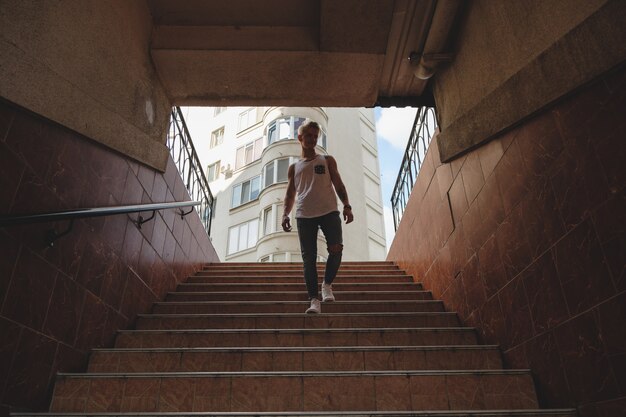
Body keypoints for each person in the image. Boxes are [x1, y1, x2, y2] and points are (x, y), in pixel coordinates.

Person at [281, 119, 354, 314]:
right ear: (300, 138)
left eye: (315, 136)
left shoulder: (327, 160)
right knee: (309, 259)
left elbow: (339, 184)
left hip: (329, 211)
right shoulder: (294, 168)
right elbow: (290, 194)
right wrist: (285, 214)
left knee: (336, 249)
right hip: (304, 216)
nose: (312, 139)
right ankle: (314, 300)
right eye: (309, 136)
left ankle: (327, 285)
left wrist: (347, 205)